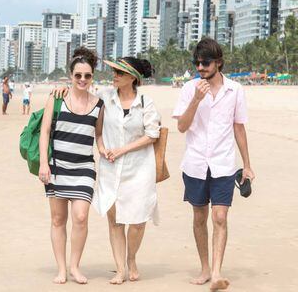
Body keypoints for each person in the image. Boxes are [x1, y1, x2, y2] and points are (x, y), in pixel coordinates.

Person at [53, 57, 161, 284]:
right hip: (111, 169)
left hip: (140, 168)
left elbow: (152, 135)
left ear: (132, 78)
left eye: (119, 73)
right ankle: (121, 269)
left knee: (138, 221)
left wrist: (122, 150)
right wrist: (63, 88)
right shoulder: (104, 98)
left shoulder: (145, 102)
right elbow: (83, 97)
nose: (114, 75)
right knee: (115, 221)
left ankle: (131, 258)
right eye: (114, 71)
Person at [172, 38, 255, 291]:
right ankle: (205, 267)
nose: (200, 67)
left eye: (205, 62)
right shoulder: (189, 89)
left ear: (218, 62)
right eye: (197, 63)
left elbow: (238, 127)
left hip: (223, 164)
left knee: (220, 216)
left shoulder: (235, 90)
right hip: (195, 163)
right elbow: (181, 127)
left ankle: (217, 271)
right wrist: (196, 100)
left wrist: (247, 165)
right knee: (200, 217)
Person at [38, 47, 104, 285]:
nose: (82, 80)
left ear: (92, 76)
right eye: (78, 75)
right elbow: (45, 132)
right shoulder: (57, 98)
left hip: (84, 168)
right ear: (71, 76)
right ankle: (61, 269)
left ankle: (75, 266)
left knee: (81, 217)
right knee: (58, 219)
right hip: (57, 167)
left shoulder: (99, 104)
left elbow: (98, 135)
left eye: (87, 75)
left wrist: (105, 149)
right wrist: (44, 163)